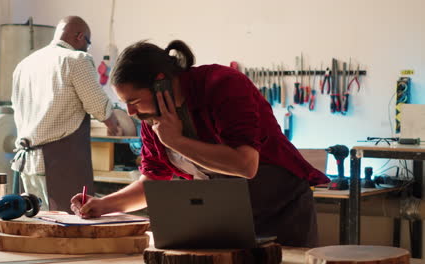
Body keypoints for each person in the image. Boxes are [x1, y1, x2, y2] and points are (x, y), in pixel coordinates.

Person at [70, 39, 330, 247]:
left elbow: (246, 165)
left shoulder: (223, 85)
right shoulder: (153, 117)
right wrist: (103, 205)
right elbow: (153, 180)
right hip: (225, 219)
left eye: (135, 101)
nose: (130, 113)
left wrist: (177, 141)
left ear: (161, 82)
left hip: (281, 212)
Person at [11, 16, 121, 212]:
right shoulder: (76, 59)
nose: (88, 49)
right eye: (88, 43)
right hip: (58, 163)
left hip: (27, 163)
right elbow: (97, 104)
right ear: (79, 37)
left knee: (37, 224)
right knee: (67, 228)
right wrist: (115, 125)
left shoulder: (24, 65)